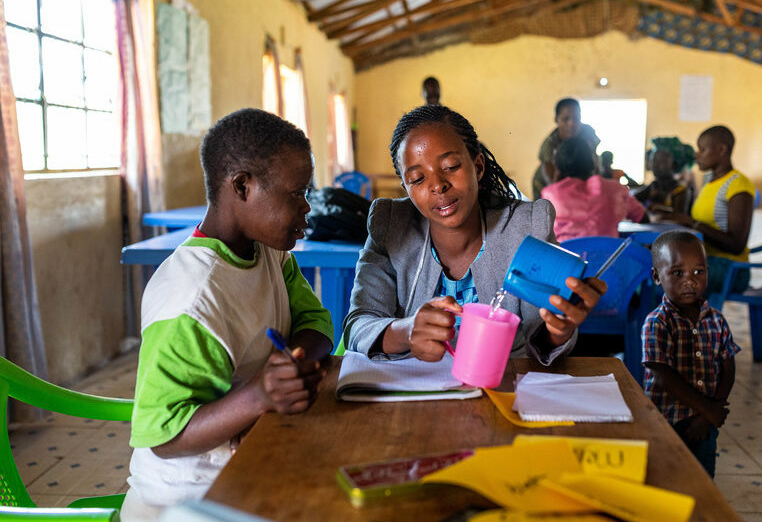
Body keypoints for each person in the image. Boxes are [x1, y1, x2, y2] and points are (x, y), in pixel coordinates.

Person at [121, 109, 333, 520]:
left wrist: (289, 363)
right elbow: (162, 436)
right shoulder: (191, 299)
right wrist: (259, 396)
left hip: (248, 469)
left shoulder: (269, 252)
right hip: (183, 502)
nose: (308, 208)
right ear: (242, 186)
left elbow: (317, 323)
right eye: (296, 193)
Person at [343, 105, 606, 364]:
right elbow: (359, 324)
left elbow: (540, 334)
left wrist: (558, 331)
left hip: (500, 386)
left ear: (478, 166)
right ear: (406, 189)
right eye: (418, 179)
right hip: (415, 394)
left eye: (450, 166)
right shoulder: (390, 225)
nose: (437, 185)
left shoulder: (525, 226)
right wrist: (407, 331)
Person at [642, 231, 739, 478]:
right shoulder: (657, 322)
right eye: (677, 273)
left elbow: (728, 367)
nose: (690, 281)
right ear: (656, 276)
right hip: (665, 421)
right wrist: (708, 409)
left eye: (699, 272)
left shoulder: (716, 320)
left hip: (704, 424)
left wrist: (711, 412)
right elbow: (663, 375)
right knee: (665, 478)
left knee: (703, 478)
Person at [662, 126, 754, 295]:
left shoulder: (738, 184)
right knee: (652, 269)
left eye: (702, 149)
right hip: (705, 261)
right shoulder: (710, 183)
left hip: (730, 268)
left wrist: (693, 223)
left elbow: (737, 245)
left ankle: (671, 322)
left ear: (721, 149)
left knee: (664, 279)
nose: (697, 155)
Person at [541, 137, 646, 242]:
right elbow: (642, 217)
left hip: (565, 257)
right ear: (594, 163)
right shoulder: (616, 189)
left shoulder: (551, 194)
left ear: (558, 165)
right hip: (609, 257)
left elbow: (542, 235)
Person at [531, 98, 600, 200]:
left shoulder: (588, 134)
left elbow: (595, 165)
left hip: (582, 179)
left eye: (576, 118)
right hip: (555, 186)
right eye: (565, 119)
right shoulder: (550, 144)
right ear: (556, 119)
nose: (571, 124)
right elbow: (551, 179)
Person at [633, 137, 696, 215]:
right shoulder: (654, 186)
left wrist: (659, 208)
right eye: (653, 161)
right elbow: (632, 200)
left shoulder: (681, 191)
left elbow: (680, 217)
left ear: (675, 165)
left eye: (662, 162)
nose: (655, 165)